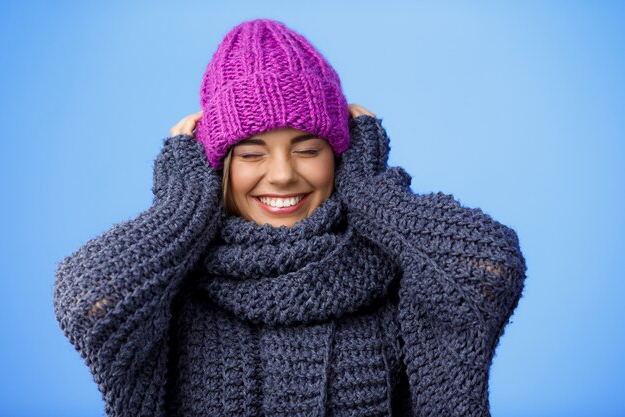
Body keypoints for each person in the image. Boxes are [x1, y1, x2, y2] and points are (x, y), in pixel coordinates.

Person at [53, 18, 527, 417]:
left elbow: (487, 266)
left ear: (338, 156)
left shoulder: (396, 271)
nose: (282, 175)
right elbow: (89, 299)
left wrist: (366, 187)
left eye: (308, 149)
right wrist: (181, 206)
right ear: (216, 167)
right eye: (252, 154)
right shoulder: (170, 285)